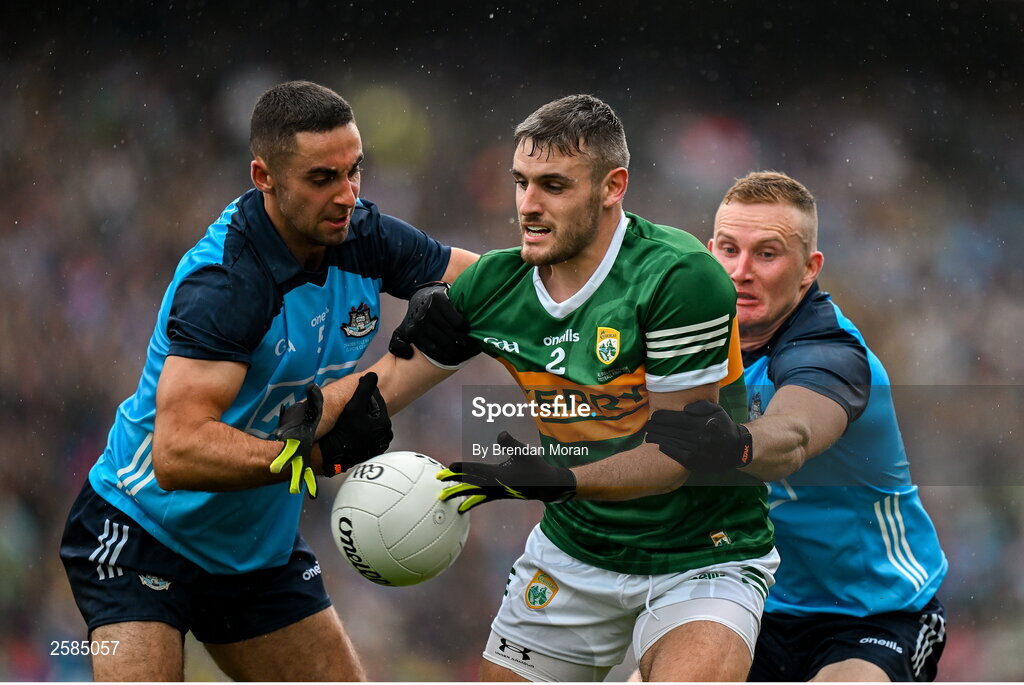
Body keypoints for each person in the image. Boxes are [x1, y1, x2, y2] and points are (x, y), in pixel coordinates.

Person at [333, 94, 777, 682]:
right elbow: (378, 391)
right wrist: (298, 426)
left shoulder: (678, 277)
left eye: (554, 186)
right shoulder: (497, 282)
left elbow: (679, 455)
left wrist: (557, 480)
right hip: (573, 554)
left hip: (702, 554)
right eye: (521, 183)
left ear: (612, 186)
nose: (528, 206)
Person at [58, 80, 476, 681]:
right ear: (265, 177)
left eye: (354, 171)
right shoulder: (229, 283)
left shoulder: (363, 234)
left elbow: (487, 287)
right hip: (140, 535)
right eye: (322, 178)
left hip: (255, 555)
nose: (347, 196)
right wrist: (304, 453)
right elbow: (175, 453)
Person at [702, 171, 949, 681]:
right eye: (729, 250)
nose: (741, 271)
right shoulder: (688, 334)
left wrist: (735, 444)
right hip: (746, 600)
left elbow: (793, 433)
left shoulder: (833, 353)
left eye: (767, 254)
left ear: (808, 269)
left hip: (874, 614)